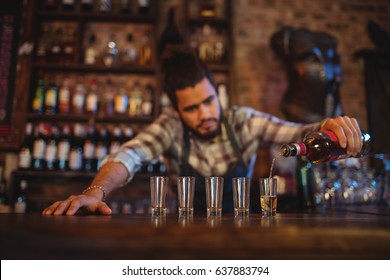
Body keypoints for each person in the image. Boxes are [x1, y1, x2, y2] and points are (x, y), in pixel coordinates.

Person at [42, 45, 363, 216]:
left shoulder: (241, 120)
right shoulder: (169, 126)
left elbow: (295, 131)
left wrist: (326, 126)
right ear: (177, 109)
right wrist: (93, 193)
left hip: (239, 237)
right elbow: (128, 155)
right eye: (192, 108)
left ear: (216, 92)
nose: (206, 113)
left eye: (209, 101)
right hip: (178, 238)